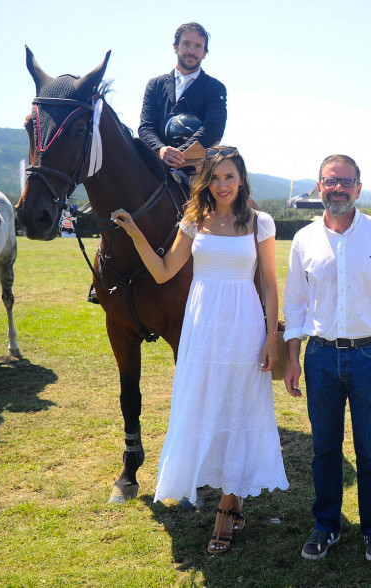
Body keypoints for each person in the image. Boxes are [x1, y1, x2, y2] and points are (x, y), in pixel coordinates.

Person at [112, 147, 288, 554]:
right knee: (206, 404)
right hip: (202, 326)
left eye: (230, 176)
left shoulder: (260, 222)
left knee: (241, 407)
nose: (223, 185)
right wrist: (136, 232)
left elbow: (269, 284)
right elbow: (162, 271)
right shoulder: (193, 221)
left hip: (244, 324)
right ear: (205, 181)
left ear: (241, 178)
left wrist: (268, 336)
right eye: (215, 178)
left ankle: (228, 508)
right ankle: (230, 491)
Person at [283, 154, 371, 563]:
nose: (337, 188)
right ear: (318, 187)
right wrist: (293, 357)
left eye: (345, 181)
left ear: (358, 188)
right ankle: (326, 526)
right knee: (324, 449)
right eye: (329, 181)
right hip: (320, 357)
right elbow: (297, 303)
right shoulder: (305, 239)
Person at [138, 22, 227, 170]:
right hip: (155, 167)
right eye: (186, 44)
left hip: (196, 171)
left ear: (205, 52)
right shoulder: (155, 85)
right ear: (175, 47)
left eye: (198, 46)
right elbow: (146, 127)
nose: (191, 50)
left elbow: (213, 128)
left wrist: (179, 154)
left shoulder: (215, 88)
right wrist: (160, 150)